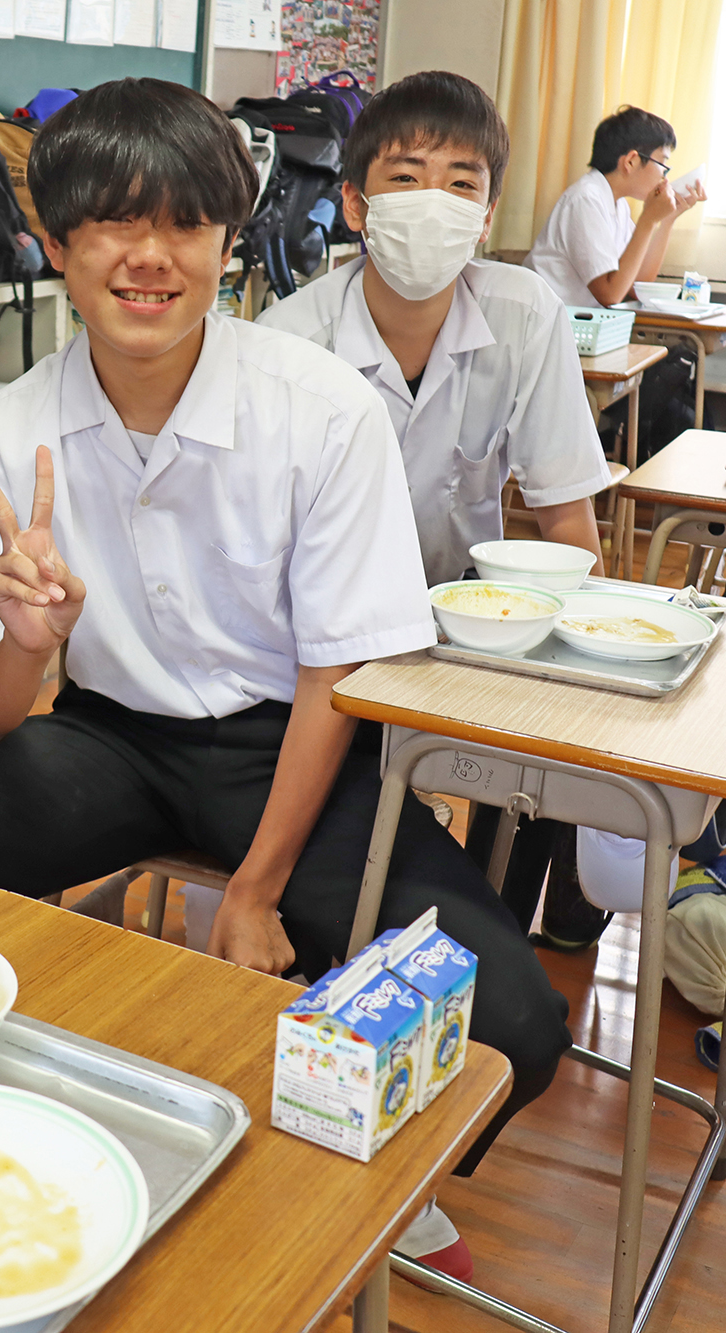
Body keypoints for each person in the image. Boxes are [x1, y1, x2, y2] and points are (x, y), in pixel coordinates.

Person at [0, 78, 572, 1285]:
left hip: (297, 746)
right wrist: (26, 636)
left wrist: (256, 886)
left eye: (185, 224)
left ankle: (351, 1172)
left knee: (511, 1020)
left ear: (231, 245)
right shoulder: (9, 430)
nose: (148, 257)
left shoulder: (322, 412)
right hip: (108, 736)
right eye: (113, 225)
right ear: (59, 246)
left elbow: (339, 674)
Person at [257, 71, 609, 947]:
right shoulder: (289, 341)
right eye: (405, 178)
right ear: (353, 203)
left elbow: (566, 518)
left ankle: (495, 935)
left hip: (470, 634)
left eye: (461, 184)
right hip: (318, 646)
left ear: (487, 216)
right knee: (351, 853)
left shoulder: (525, 314)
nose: (434, 204)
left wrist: (587, 682)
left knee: (536, 781)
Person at [525, 105, 706, 309]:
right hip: (548, 323)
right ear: (631, 161)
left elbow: (638, 285)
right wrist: (648, 220)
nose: (664, 177)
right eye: (663, 166)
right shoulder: (586, 199)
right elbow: (610, 294)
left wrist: (667, 219)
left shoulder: (618, 205)